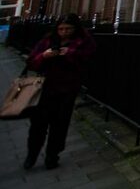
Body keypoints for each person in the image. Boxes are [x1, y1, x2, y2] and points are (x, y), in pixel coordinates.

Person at [23, 14, 96, 170]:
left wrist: (69, 53)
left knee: (60, 124)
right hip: (44, 87)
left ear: (75, 28)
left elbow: (89, 60)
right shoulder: (48, 41)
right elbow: (31, 61)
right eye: (61, 29)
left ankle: (52, 155)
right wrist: (44, 55)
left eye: (68, 29)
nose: (64, 32)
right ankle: (32, 154)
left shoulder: (83, 41)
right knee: (38, 125)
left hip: (67, 89)